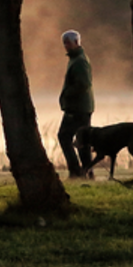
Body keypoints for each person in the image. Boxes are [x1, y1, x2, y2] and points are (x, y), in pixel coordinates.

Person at [58, 29, 94, 178]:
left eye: (69, 42)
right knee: (82, 141)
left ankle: (76, 171)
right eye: (65, 43)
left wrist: (67, 94)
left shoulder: (80, 61)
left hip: (78, 108)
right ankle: (87, 171)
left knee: (64, 137)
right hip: (82, 107)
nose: (66, 46)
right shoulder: (76, 59)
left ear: (77, 42)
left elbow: (84, 84)